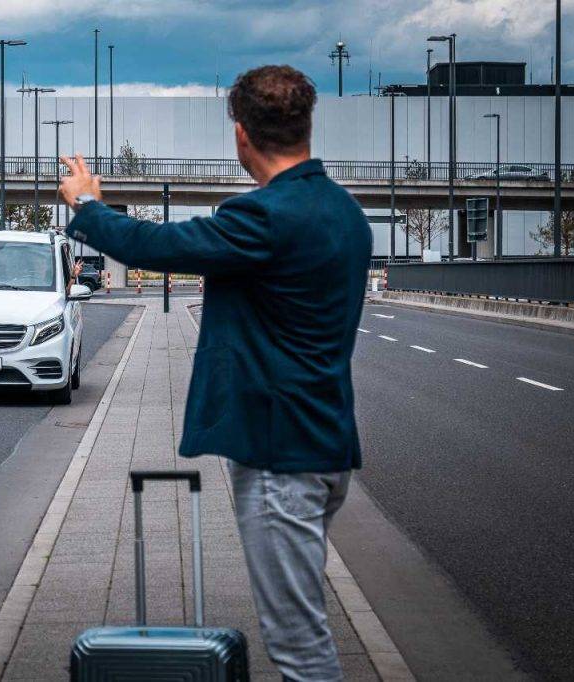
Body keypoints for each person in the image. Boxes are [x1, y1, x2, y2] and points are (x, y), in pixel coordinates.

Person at [58, 65, 372, 682]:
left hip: (282, 459)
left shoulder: (265, 218)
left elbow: (161, 246)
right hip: (324, 444)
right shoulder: (345, 214)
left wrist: (87, 206)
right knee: (302, 634)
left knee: (301, 648)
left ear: (240, 137)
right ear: (306, 126)